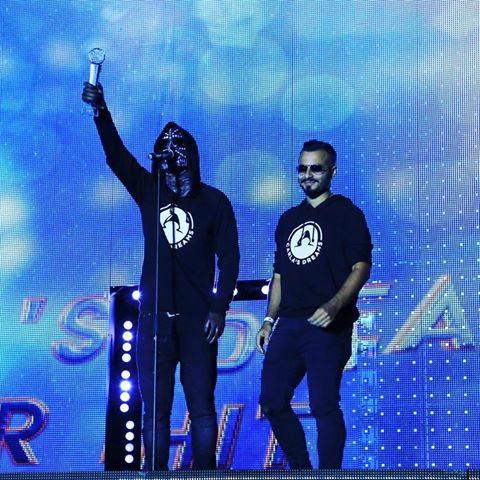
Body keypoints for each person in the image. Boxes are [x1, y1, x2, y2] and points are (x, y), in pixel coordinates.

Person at [82, 82, 240, 470]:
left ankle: (205, 476)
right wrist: (101, 112)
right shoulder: (149, 192)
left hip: (197, 322)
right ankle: (156, 475)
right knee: (155, 413)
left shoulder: (214, 202)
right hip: (154, 322)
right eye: (164, 144)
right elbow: (116, 157)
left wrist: (218, 308)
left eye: (177, 144)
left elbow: (230, 259)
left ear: (191, 154)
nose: (169, 149)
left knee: (202, 409)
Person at [256, 140, 372, 469]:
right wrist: (268, 321)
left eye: (316, 169)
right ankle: (302, 472)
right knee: (272, 400)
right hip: (289, 324)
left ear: (332, 171)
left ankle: (329, 475)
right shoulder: (288, 219)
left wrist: (335, 305)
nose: (308, 175)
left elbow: (361, 267)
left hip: (328, 325)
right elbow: (279, 276)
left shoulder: (347, 213)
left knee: (323, 404)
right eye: (302, 169)